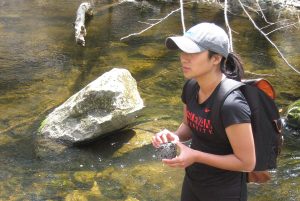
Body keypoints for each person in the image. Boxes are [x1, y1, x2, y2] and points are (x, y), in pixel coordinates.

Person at [152, 22, 256, 201]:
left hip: (225, 192)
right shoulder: (191, 86)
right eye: (183, 52)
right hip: (193, 183)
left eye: (192, 53)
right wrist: (175, 136)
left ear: (215, 59)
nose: (184, 58)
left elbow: (247, 162)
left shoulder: (232, 104)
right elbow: (188, 125)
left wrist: (195, 156)